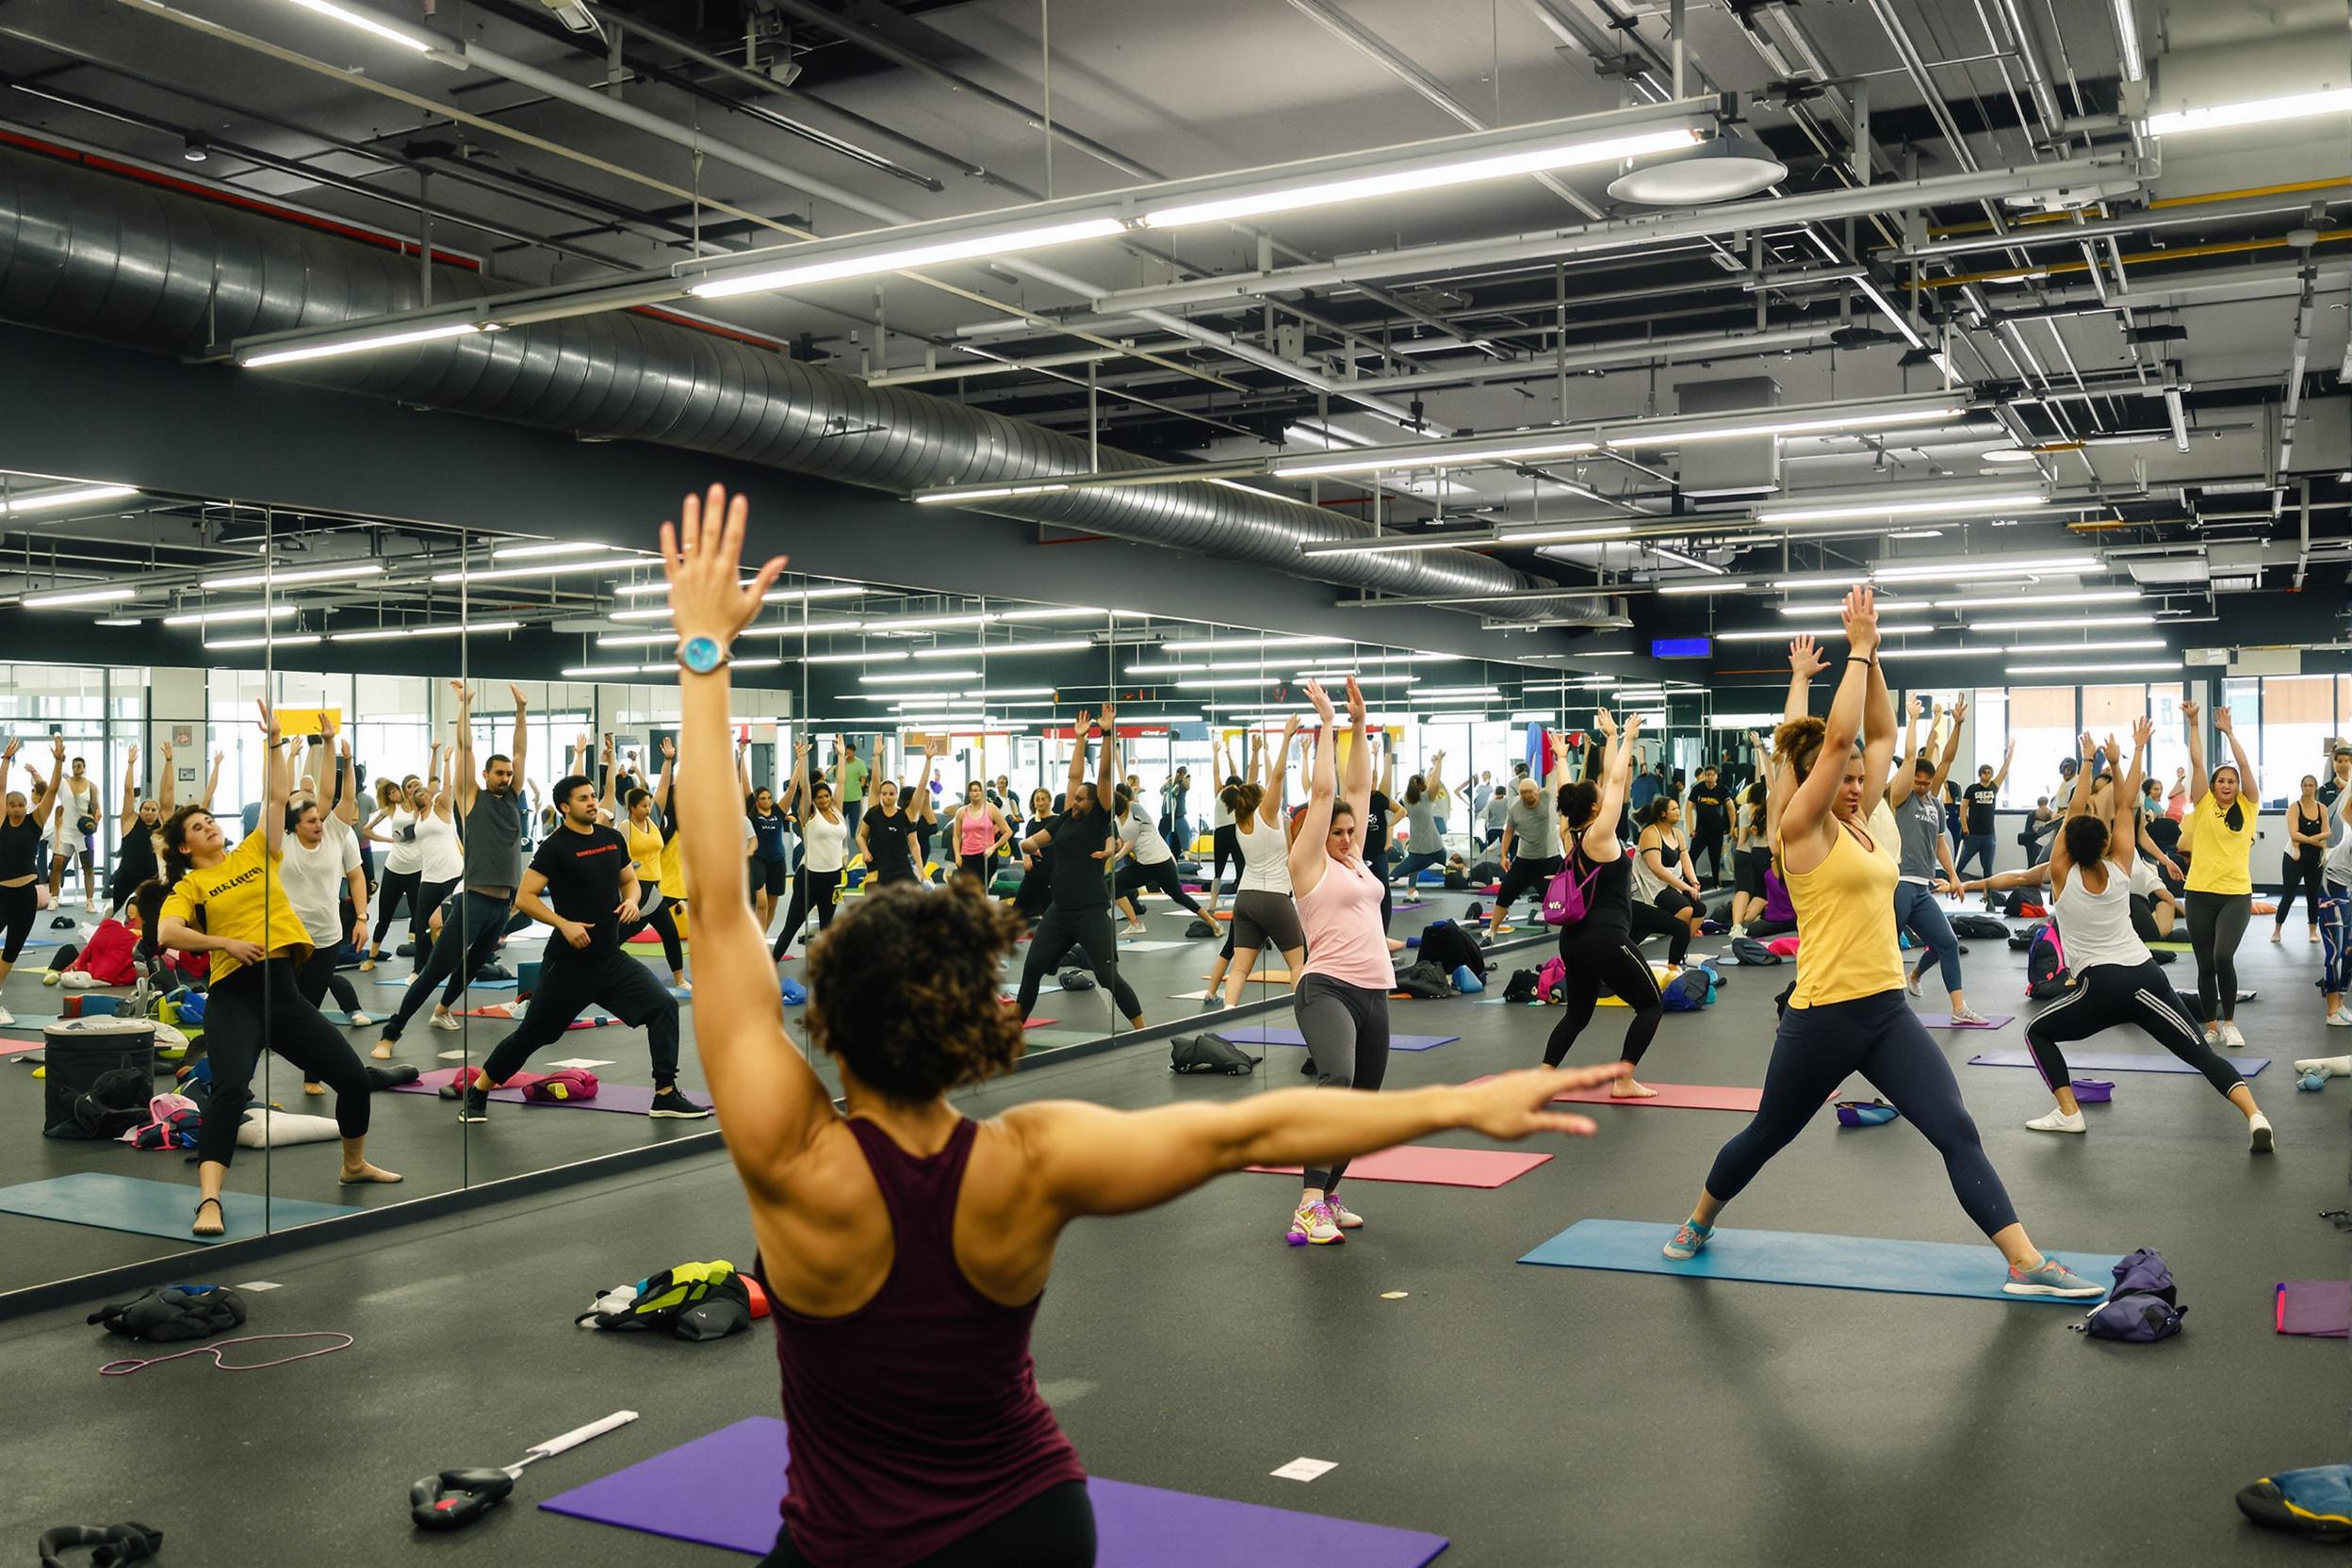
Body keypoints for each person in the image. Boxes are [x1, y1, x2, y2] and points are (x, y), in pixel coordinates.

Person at [649, 485, 1624, 1568]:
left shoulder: (788, 1154)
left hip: (847, 1544)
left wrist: (704, 653)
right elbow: (1244, 1133)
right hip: (1027, 1526)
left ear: (826, 1021)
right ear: (981, 1021)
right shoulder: (1028, 1161)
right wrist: (1466, 1102)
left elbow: (718, 892)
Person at [1660, 587, 2104, 1298]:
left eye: (1864, 780)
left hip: (1887, 1011)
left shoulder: (1862, 820)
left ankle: (2026, 1263)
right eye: (1846, 778)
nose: (1860, 781)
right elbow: (1833, 744)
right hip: (1822, 1017)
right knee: (1767, 1136)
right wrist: (1855, 650)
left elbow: (1878, 736)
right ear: (1810, 782)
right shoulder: (1802, 830)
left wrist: (1874, 659)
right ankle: (1699, 1217)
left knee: (1957, 1129)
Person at [157, 703, 399, 1234]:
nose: (211, 828)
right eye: (199, 827)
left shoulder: (254, 852)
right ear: (184, 846)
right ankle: (210, 1201)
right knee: (228, 1090)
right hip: (235, 995)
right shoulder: (189, 886)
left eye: (210, 821)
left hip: (284, 993)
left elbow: (275, 796)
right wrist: (226, 941)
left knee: (353, 1080)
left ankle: (353, 1164)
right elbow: (167, 934)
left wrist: (272, 744)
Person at [2004, 723, 2271, 1149]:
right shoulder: (2121, 867)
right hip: (2148, 978)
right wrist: (2130, 751)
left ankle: (2069, 1112)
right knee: (2200, 1053)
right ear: (2107, 842)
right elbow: (2126, 808)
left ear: (2067, 845)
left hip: (2102, 988)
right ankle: (2255, 1115)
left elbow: (2074, 812)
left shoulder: (2060, 875)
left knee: (2037, 1032)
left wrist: (2088, 760)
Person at [451, 766, 703, 1123]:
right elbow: (525, 897)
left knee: (663, 1006)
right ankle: (479, 1090)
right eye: (583, 798)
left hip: (609, 958)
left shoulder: (611, 838)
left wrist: (632, 900)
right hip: (568, 964)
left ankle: (665, 1094)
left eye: (592, 796)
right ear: (564, 807)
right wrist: (563, 923)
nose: (591, 802)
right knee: (535, 1035)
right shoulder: (555, 847)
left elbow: (630, 880)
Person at [1282, 676, 1406, 1246]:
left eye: (1354, 833)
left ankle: (1330, 1194)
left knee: (1363, 1105)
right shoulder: (1309, 863)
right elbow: (1330, 795)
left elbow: (1359, 790)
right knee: (1338, 1079)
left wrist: (1361, 727)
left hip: (1375, 989)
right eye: (1338, 832)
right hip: (1326, 987)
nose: (1348, 836)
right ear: (1315, 832)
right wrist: (1328, 727)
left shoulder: (1355, 860)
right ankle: (1308, 1204)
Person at [370, 685, 529, 1058]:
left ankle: (442, 1011)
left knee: (473, 966)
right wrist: (465, 706)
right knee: (434, 970)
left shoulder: (511, 798)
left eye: (509, 774)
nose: (506, 778)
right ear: (486, 774)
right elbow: (468, 748)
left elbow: (521, 750)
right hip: (472, 900)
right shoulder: (469, 798)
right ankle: (390, 1035)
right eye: (499, 773)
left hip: (501, 905)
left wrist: (521, 711)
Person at [1542, 710, 1668, 1099]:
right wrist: (1627, 738)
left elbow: (1572, 792)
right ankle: (1624, 1079)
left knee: (1577, 1015)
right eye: (1599, 797)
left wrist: (1565, 759)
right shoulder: (1600, 835)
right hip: (1605, 938)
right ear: (1596, 809)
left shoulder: (1573, 831)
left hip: (1572, 941)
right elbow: (1614, 780)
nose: (1602, 791)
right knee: (1650, 1004)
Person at [1013, 709, 1145, 1028]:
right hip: (1059, 911)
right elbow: (1033, 840)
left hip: (1089, 911)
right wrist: (1079, 737)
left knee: (1107, 976)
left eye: (1082, 799)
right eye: (1075, 799)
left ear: (1094, 803)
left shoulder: (1098, 819)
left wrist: (1107, 735)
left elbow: (1101, 779)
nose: (1076, 801)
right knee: (1031, 969)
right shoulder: (1062, 822)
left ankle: (1142, 1029)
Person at [1885, 702, 1987, 1026]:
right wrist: (1913, 720)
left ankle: (1958, 1008)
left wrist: (1954, 876)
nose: (1922, 786)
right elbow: (1914, 756)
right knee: (1885, 949)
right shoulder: (1900, 797)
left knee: (1947, 942)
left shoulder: (1935, 805)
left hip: (1922, 887)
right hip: (1899, 883)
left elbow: (1941, 843)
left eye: (1927, 783)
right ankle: (1879, 1008)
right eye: (1917, 781)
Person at [282, 745, 376, 1093]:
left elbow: (340, 796)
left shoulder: (338, 833)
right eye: (310, 820)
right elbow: (278, 793)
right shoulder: (281, 841)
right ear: (294, 825)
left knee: (311, 1008)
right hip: (285, 938)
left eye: (320, 818)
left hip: (326, 938)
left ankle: (312, 1073)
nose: (318, 823)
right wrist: (285, 754)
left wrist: (362, 917)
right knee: (280, 1006)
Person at [1213, 722, 1307, 1009]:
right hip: (1274, 898)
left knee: (1240, 967)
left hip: (1245, 899)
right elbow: (1277, 776)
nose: (1269, 791)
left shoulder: (1242, 821)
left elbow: (1250, 784)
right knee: (1298, 963)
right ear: (1261, 799)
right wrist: (1285, 738)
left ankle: (1227, 1011)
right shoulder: (1268, 814)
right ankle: (1306, 1015)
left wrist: (1255, 754)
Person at [2180, 700, 2258, 1050]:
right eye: (2221, 781)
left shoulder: (2249, 805)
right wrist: (2194, 724)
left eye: (2231, 782)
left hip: (2236, 895)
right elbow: (2197, 762)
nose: (2227, 784)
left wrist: (2228, 732)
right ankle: (2210, 1025)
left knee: (2223, 956)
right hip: (2198, 892)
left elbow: (2242, 763)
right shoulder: (2204, 805)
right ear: (2212, 786)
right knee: (2204, 963)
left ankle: (2229, 1022)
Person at [0, 736, 70, 1026]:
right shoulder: (2, 822)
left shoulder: (35, 821)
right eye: (12, 804)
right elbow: (1, 787)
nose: (16, 807)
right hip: (1, 894)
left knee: (13, 947)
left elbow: (52, 790)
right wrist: (5, 761)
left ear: (27, 804)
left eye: (20, 803)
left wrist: (58, 762)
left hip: (26, 896)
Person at [1111, 786, 1205, 936]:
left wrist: (1117, 855)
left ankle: (1211, 921)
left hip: (1161, 860)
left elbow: (1130, 842)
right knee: (1114, 883)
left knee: (1178, 895)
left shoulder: (1134, 808)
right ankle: (1135, 923)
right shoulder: (1116, 820)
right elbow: (1123, 842)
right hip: (1144, 864)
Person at [1485, 771, 1565, 945]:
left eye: (1531, 793)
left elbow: (1553, 775)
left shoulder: (1547, 796)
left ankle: (1569, 932)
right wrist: (1504, 855)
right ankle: (1492, 931)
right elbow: (1509, 831)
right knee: (1505, 894)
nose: (1528, 797)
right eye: (1523, 794)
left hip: (1550, 859)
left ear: (1538, 791)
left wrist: (1558, 755)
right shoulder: (1515, 808)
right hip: (1525, 860)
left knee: (1559, 898)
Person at [103, 742, 178, 922]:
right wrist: (130, 764)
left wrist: (169, 761)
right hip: (126, 879)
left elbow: (168, 790)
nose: (150, 812)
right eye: (146, 809)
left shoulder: (163, 820)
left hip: (152, 881)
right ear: (139, 810)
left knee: (150, 920)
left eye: (154, 809)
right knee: (122, 921)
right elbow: (128, 791)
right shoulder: (129, 821)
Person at [1630, 797, 1705, 956]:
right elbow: (1657, 869)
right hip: (1655, 886)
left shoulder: (1677, 834)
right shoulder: (1650, 833)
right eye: (1674, 809)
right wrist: (1685, 886)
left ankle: (1681, 951)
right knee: (1685, 909)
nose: (1678, 812)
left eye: (1678, 808)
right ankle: (1674, 955)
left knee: (1699, 909)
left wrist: (1694, 881)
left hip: (1672, 884)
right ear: (1663, 814)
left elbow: (1686, 859)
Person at [857, 746, 933, 890]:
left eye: (891, 794)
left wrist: (928, 760)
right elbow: (861, 836)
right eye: (884, 793)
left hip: (901, 869)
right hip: (878, 870)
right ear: (880, 795)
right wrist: (865, 851)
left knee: (916, 900)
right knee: (878, 907)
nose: (887, 797)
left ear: (897, 795)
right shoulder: (873, 813)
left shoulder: (906, 815)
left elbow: (921, 788)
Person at [42, 748, 101, 922]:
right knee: (57, 865)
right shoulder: (63, 783)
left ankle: (89, 900)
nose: (77, 767)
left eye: (80, 765)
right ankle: (54, 898)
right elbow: (49, 788)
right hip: (66, 830)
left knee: (88, 867)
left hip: (83, 832)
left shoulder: (91, 786)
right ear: (72, 767)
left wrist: (94, 821)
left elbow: (97, 809)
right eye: (75, 765)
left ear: (84, 768)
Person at [2274, 774, 2327, 945]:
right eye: (2305, 785)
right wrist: (2313, 840)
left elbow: (2326, 833)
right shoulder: (2294, 807)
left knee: (2313, 894)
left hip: (2314, 856)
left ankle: (2313, 930)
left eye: (2311, 785)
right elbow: (2294, 833)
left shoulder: (2322, 809)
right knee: (2289, 894)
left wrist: (2324, 851)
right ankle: (2277, 929)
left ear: (2315, 788)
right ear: (2301, 787)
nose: (2308, 788)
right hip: (2294, 856)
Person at [1955, 740, 2013, 884]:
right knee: (1961, 863)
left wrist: (2010, 752)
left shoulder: (1993, 787)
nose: (1988, 775)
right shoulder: (1972, 789)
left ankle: (1988, 895)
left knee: (1987, 868)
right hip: (1973, 834)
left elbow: (2004, 771)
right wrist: (1964, 827)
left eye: (1990, 772)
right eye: (1985, 772)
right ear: (1980, 774)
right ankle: (1952, 884)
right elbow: (1963, 808)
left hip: (1989, 835)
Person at [1388, 750, 1447, 889]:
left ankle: (1410, 890)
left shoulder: (1406, 799)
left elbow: (1429, 780)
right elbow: (1435, 781)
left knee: (1401, 871)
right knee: (1448, 865)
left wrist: (1435, 765)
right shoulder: (1426, 797)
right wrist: (1439, 762)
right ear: (1422, 786)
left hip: (1418, 846)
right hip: (1434, 845)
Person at [747, 776, 792, 932]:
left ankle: (762, 935)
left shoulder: (778, 811)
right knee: (762, 903)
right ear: (757, 800)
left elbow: (792, 789)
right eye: (762, 798)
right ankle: (756, 940)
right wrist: (741, 755)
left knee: (772, 904)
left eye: (769, 798)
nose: (766, 801)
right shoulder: (752, 814)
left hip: (778, 860)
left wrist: (801, 761)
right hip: (758, 859)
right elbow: (746, 787)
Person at [950, 779, 1011, 886]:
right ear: (969, 794)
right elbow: (956, 835)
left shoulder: (991, 809)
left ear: (982, 792)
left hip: (986, 856)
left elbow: (1008, 832)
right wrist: (957, 855)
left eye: (978, 790)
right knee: (967, 890)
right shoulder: (961, 812)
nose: (975, 793)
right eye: (973, 791)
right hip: (967, 856)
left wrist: (994, 847)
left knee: (981, 889)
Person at [1206, 739, 1242, 915]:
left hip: (1220, 833)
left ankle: (1212, 904)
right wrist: (1228, 754)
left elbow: (1215, 774)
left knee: (1218, 871)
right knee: (1241, 867)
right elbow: (1235, 772)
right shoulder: (1240, 792)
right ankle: (1241, 903)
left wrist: (1215, 754)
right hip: (1235, 832)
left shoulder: (1220, 792)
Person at [1729, 772, 1770, 930]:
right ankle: (1744, 921)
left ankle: (1736, 923)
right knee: (1759, 891)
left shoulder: (1745, 808)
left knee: (1743, 889)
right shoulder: (1768, 808)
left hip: (1741, 851)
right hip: (1760, 851)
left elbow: (1742, 838)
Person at [1686, 764, 1729, 887]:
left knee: (1715, 859)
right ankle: (1691, 880)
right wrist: (1691, 828)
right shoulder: (1698, 789)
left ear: (1716, 776)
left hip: (1716, 831)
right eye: (1706, 775)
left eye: (1711, 775)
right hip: (1701, 830)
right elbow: (1688, 807)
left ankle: (1717, 882)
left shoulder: (1722, 789)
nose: (1708, 777)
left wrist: (1731, 828)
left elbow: (1730, 808)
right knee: (1691, 856)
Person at [837, 739, 868, 841]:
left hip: (855, 798)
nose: (848, 754)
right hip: (842, 798)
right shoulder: (842, 763)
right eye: (847, 752)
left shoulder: (860, 763)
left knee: (854, 822)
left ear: (853, 752)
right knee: (840, 820)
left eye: (850, 752)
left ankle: (855, 841)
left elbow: (864, 778)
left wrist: (860, 785)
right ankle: (840, 838)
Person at [1160, 765, 1192, 852]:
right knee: (1162, 837)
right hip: (1167, 816)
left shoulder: (1181, 786)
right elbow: (1161, 791)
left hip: (1178, 815)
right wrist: (1170, 782)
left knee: (1181, 839)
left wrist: (1186, 777)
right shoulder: (1171, 784)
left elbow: (1187, 786)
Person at [1480, 784, 1509, 850]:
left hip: (1491, 829)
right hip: (1503, 829)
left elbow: (1483, 814)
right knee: (1504, 851)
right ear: (1505, 792)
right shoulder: (1507, 801)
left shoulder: (1490, 802)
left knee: (1492, 851)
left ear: (1495, 792)